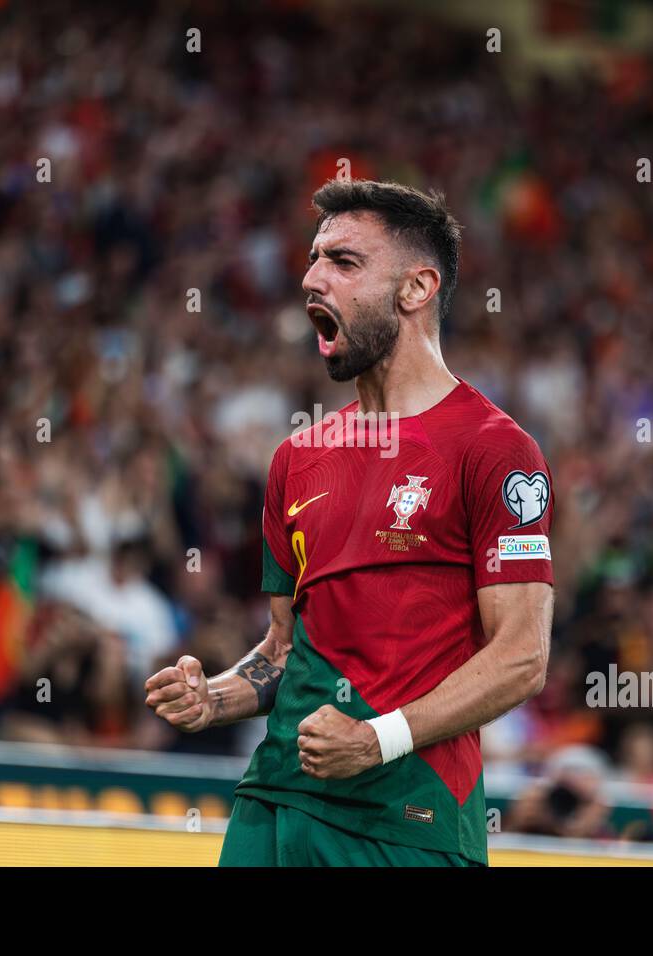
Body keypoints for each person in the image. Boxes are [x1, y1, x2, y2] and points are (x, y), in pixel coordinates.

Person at [145, 181, 554, 866]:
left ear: (416, 288)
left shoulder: (494, 449)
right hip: (272, 802)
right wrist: (213, 697)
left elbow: (521, 657)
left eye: (344, 261)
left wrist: (377, 739)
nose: (310, 278)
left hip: (405, 818)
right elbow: (282, 649)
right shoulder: (296, 459)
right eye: (312, 259)